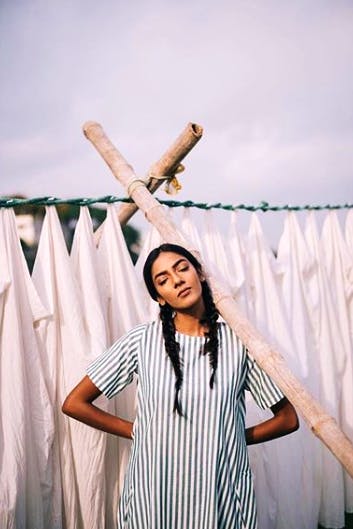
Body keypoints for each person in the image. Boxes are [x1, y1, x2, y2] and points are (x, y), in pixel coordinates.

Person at [62, 243, 299, 529]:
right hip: (154, 496)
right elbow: (75, 403)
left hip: (220, 494)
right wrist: (136, 430)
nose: (176, 280)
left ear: (199, 273)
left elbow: (288, 419)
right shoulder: (142, 341)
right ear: (159, 298)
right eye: (163, 280)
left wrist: (229, 437)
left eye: (182, 268)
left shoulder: (240, 344)